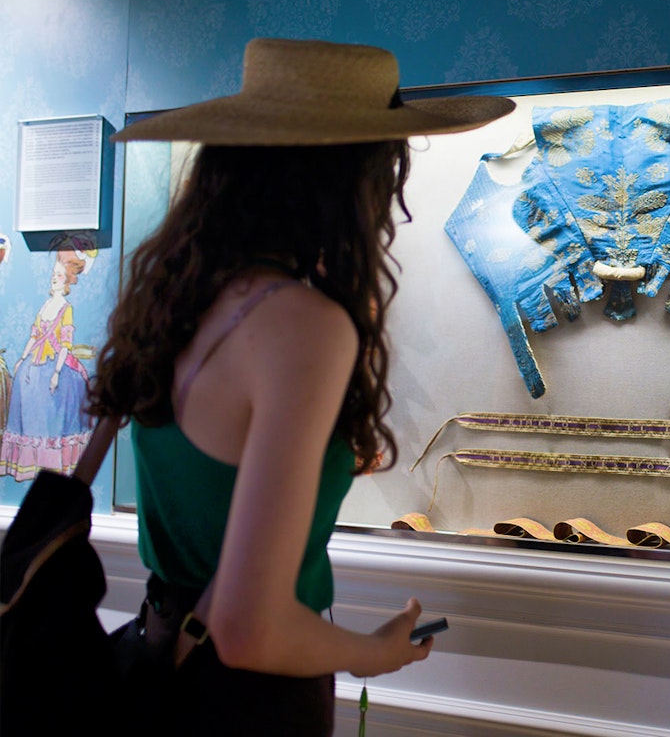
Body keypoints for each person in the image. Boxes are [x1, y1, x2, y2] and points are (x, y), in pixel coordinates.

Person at [86, 38, 513, 734]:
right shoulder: (301, 325)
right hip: (244, 703)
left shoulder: (177, 299)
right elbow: (251, 629)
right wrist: (372, 652)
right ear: (357, 171)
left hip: (158, 661)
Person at [1, 241, 95, 480]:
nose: (55, 278)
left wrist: (57, 372)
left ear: (66, 282)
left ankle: (51, 464)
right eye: (53, 275)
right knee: (22, 383)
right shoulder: (45, 306)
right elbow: (34, 335)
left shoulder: (65, 308)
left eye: (59, 276)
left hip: (56, 361)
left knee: (51, 404)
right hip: (36, 359)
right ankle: (29, 462)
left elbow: (65, 344)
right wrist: (22, 359)